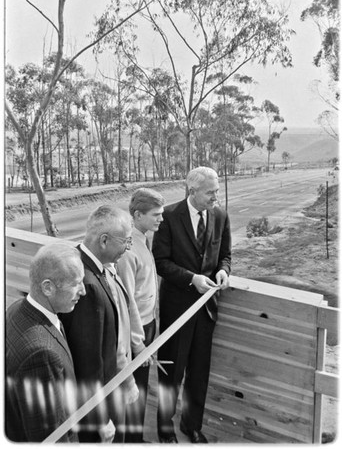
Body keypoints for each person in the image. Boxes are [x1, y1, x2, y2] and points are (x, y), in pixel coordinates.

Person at [152, 166, 231, 443]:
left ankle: (191, 425)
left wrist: (223, 271)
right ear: (192, 191)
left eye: (217, 191)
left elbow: (225, 255)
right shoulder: (169, 217)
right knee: (171, 373)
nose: (216, 197)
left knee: (199, 372)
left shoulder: (220, 215)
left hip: (207, 309)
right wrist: (191, 279)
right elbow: (160, 262)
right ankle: (164, 428)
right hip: (176, 309)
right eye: (211, 192)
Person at [59, 204, 138, 443]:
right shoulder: (87, 285)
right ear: (103, 241)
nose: (128, 248)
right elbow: (87, 361)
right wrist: (100, 419)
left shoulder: (89, 264)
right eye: (125, 241)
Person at [5, 242, 86, 442]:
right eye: (76, 283)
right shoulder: (41, 355)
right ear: (48, 287)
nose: (83, 291)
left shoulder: (16, 309)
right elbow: (50, 437)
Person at [116, 187, 165, 443]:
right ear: (137, 214)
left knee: (142, 389)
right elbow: (127, 301)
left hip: (148, 324)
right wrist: (138, 342)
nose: (161, 219)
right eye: (156, 214)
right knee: (134, 391)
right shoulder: (127, 250)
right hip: (136, 331)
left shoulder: (144, 237)